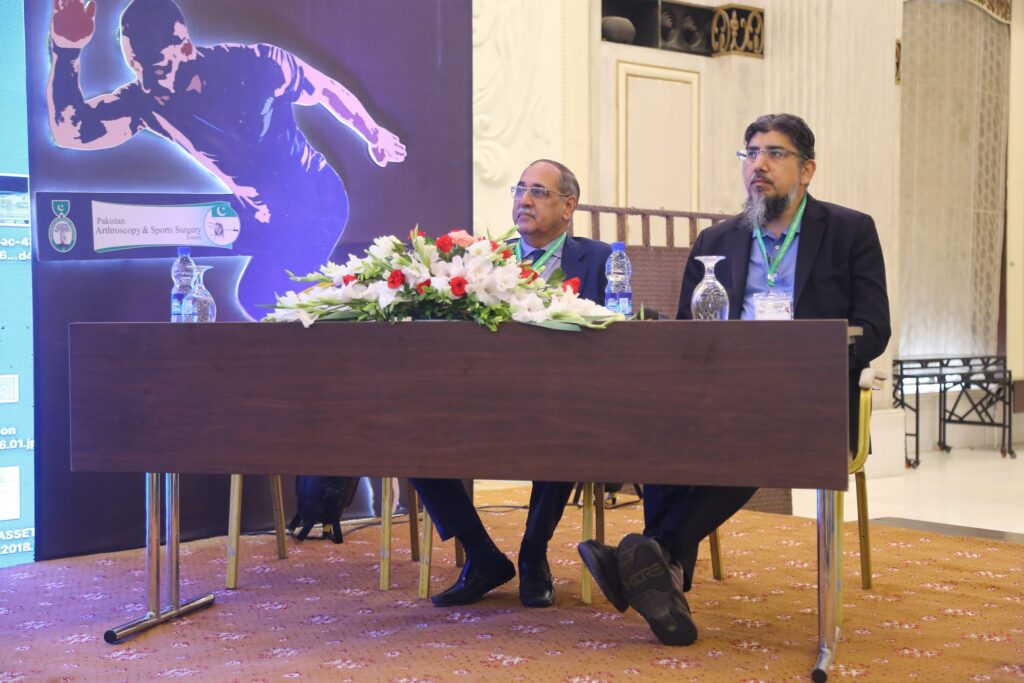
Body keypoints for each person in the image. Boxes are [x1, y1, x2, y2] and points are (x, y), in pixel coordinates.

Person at [578, 113, 891, 645]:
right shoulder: (717, 238)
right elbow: (687, 334)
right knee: (662, 418)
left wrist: (808, 361)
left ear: (807, 169)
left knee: (753, 429)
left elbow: (875, 328)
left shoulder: (849, 231)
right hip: (722, 390)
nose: (758, 165)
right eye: (750, 154)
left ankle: (656, 553)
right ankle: (662, 566)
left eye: (774, 154)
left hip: (808, 396)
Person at [47, 0, 406, 318]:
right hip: (259, 212)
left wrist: (374, 134)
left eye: (157, 69)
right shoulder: (145, 99)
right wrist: (65, 51)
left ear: (184, 46)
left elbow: (326, 90)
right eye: (135, 66)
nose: (148, 83)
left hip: (317, 200)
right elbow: (71, 132)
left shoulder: (257, 65)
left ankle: (364, 304)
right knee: (211, 252)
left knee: (256, 296)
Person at [411, 159, 611, 608]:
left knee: (567, 429)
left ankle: (533, 553)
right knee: (412, 434)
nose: (525, 200)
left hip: (561, 401)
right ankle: (481, 554)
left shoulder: (599, 260)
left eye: (539, 192)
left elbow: (612, 334)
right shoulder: (482, 258)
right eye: (520, 190)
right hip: (484, 398)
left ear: (568, 206)